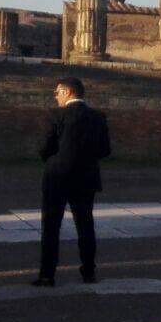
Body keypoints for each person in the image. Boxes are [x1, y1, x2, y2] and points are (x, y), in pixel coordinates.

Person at [33, 77, 111, 286]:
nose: (55, 96)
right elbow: (105, 150)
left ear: (67, 92)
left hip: (57, 177)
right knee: (85, 225)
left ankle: (47, 275)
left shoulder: (57, 115)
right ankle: (88, 272)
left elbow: (45, 147)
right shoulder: (98, 117)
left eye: (57, 91)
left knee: (51, 227)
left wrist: (53, 160)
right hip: (86, 177)